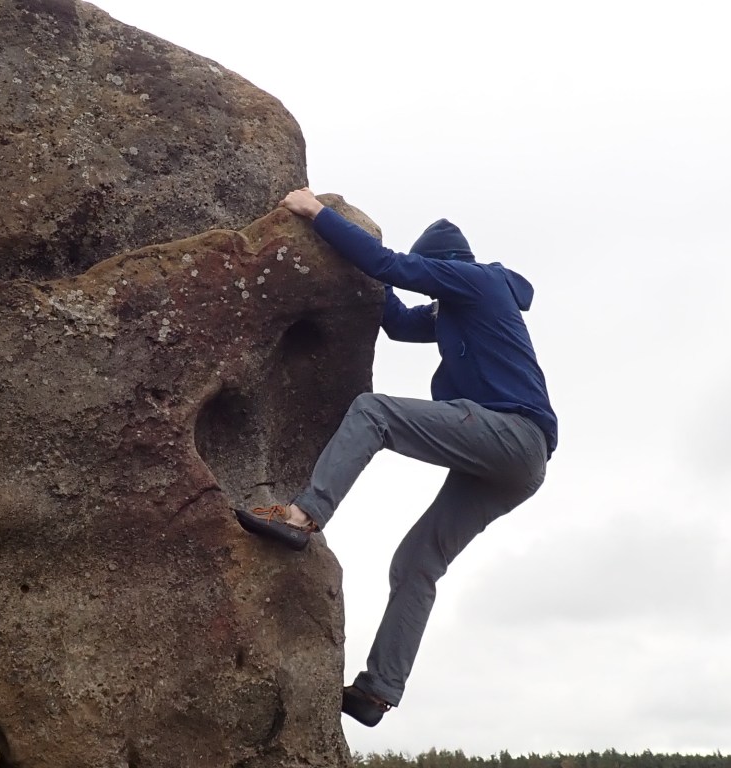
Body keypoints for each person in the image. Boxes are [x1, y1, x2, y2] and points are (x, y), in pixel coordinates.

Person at [235, 188, 558, 727]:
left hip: (513, 436)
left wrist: (321, 217)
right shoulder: (455, 310)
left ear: (444, 267)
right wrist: (366, 273)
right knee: (417, 562)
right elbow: (399, 320)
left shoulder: (475, 282)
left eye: (431, 274)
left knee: (374, 412)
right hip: (514, 465)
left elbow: (394, 266)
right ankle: (378, 690)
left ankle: (302, 515)